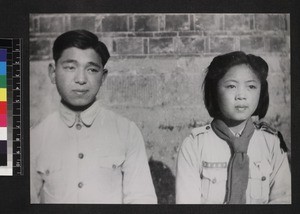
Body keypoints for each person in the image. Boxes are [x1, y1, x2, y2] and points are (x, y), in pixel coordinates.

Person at [30, 30, 157, 204]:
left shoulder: (126, 131)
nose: (81, 79)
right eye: (70, 67)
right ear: (53, 73)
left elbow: (142, 200)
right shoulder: (35, 138)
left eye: (91, 69)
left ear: (103, 76)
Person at [176, 51, 291, 204]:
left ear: (261, 92)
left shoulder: (272, 144)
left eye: (251, 86)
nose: (241, 95)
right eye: (231, 86)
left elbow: (283, 200)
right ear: (214, 91)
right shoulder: (194, 146)